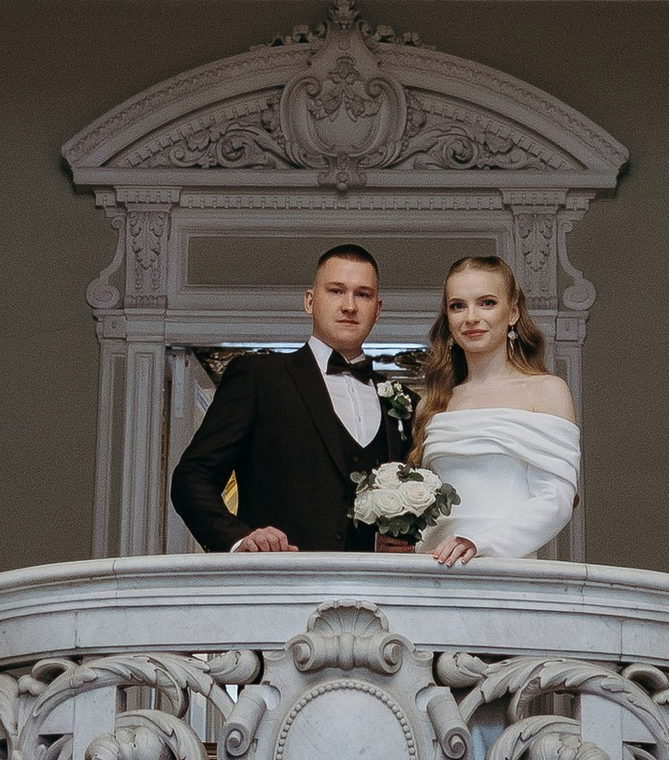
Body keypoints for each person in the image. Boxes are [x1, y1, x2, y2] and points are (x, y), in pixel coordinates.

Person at [169, 242, 413, 553]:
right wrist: (238, 538)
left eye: (362, 294)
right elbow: (193, 476)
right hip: (277, 584)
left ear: (377, 310)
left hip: (376, 590)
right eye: (336, 291)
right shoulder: (258, 378)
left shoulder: (403, 401)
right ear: (310, 301)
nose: (349, 305)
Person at [412, 251, 579, 565]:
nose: (471, 317)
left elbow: (557, 498)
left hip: (505, 565)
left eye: (486, 302)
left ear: (512, 312)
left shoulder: (547, 391)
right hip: (432, 566)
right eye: (458, 306)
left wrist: (481, 543)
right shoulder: (434, 401)